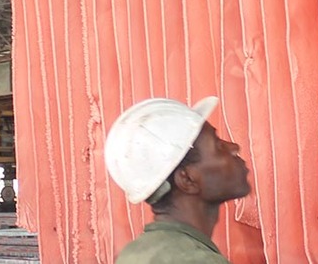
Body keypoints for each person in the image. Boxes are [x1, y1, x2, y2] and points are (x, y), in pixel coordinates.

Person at [105, 96, 251, 264]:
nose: (234, 147)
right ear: (187, 179)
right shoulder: (197, 260)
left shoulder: (134, 253)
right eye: (218, 145)